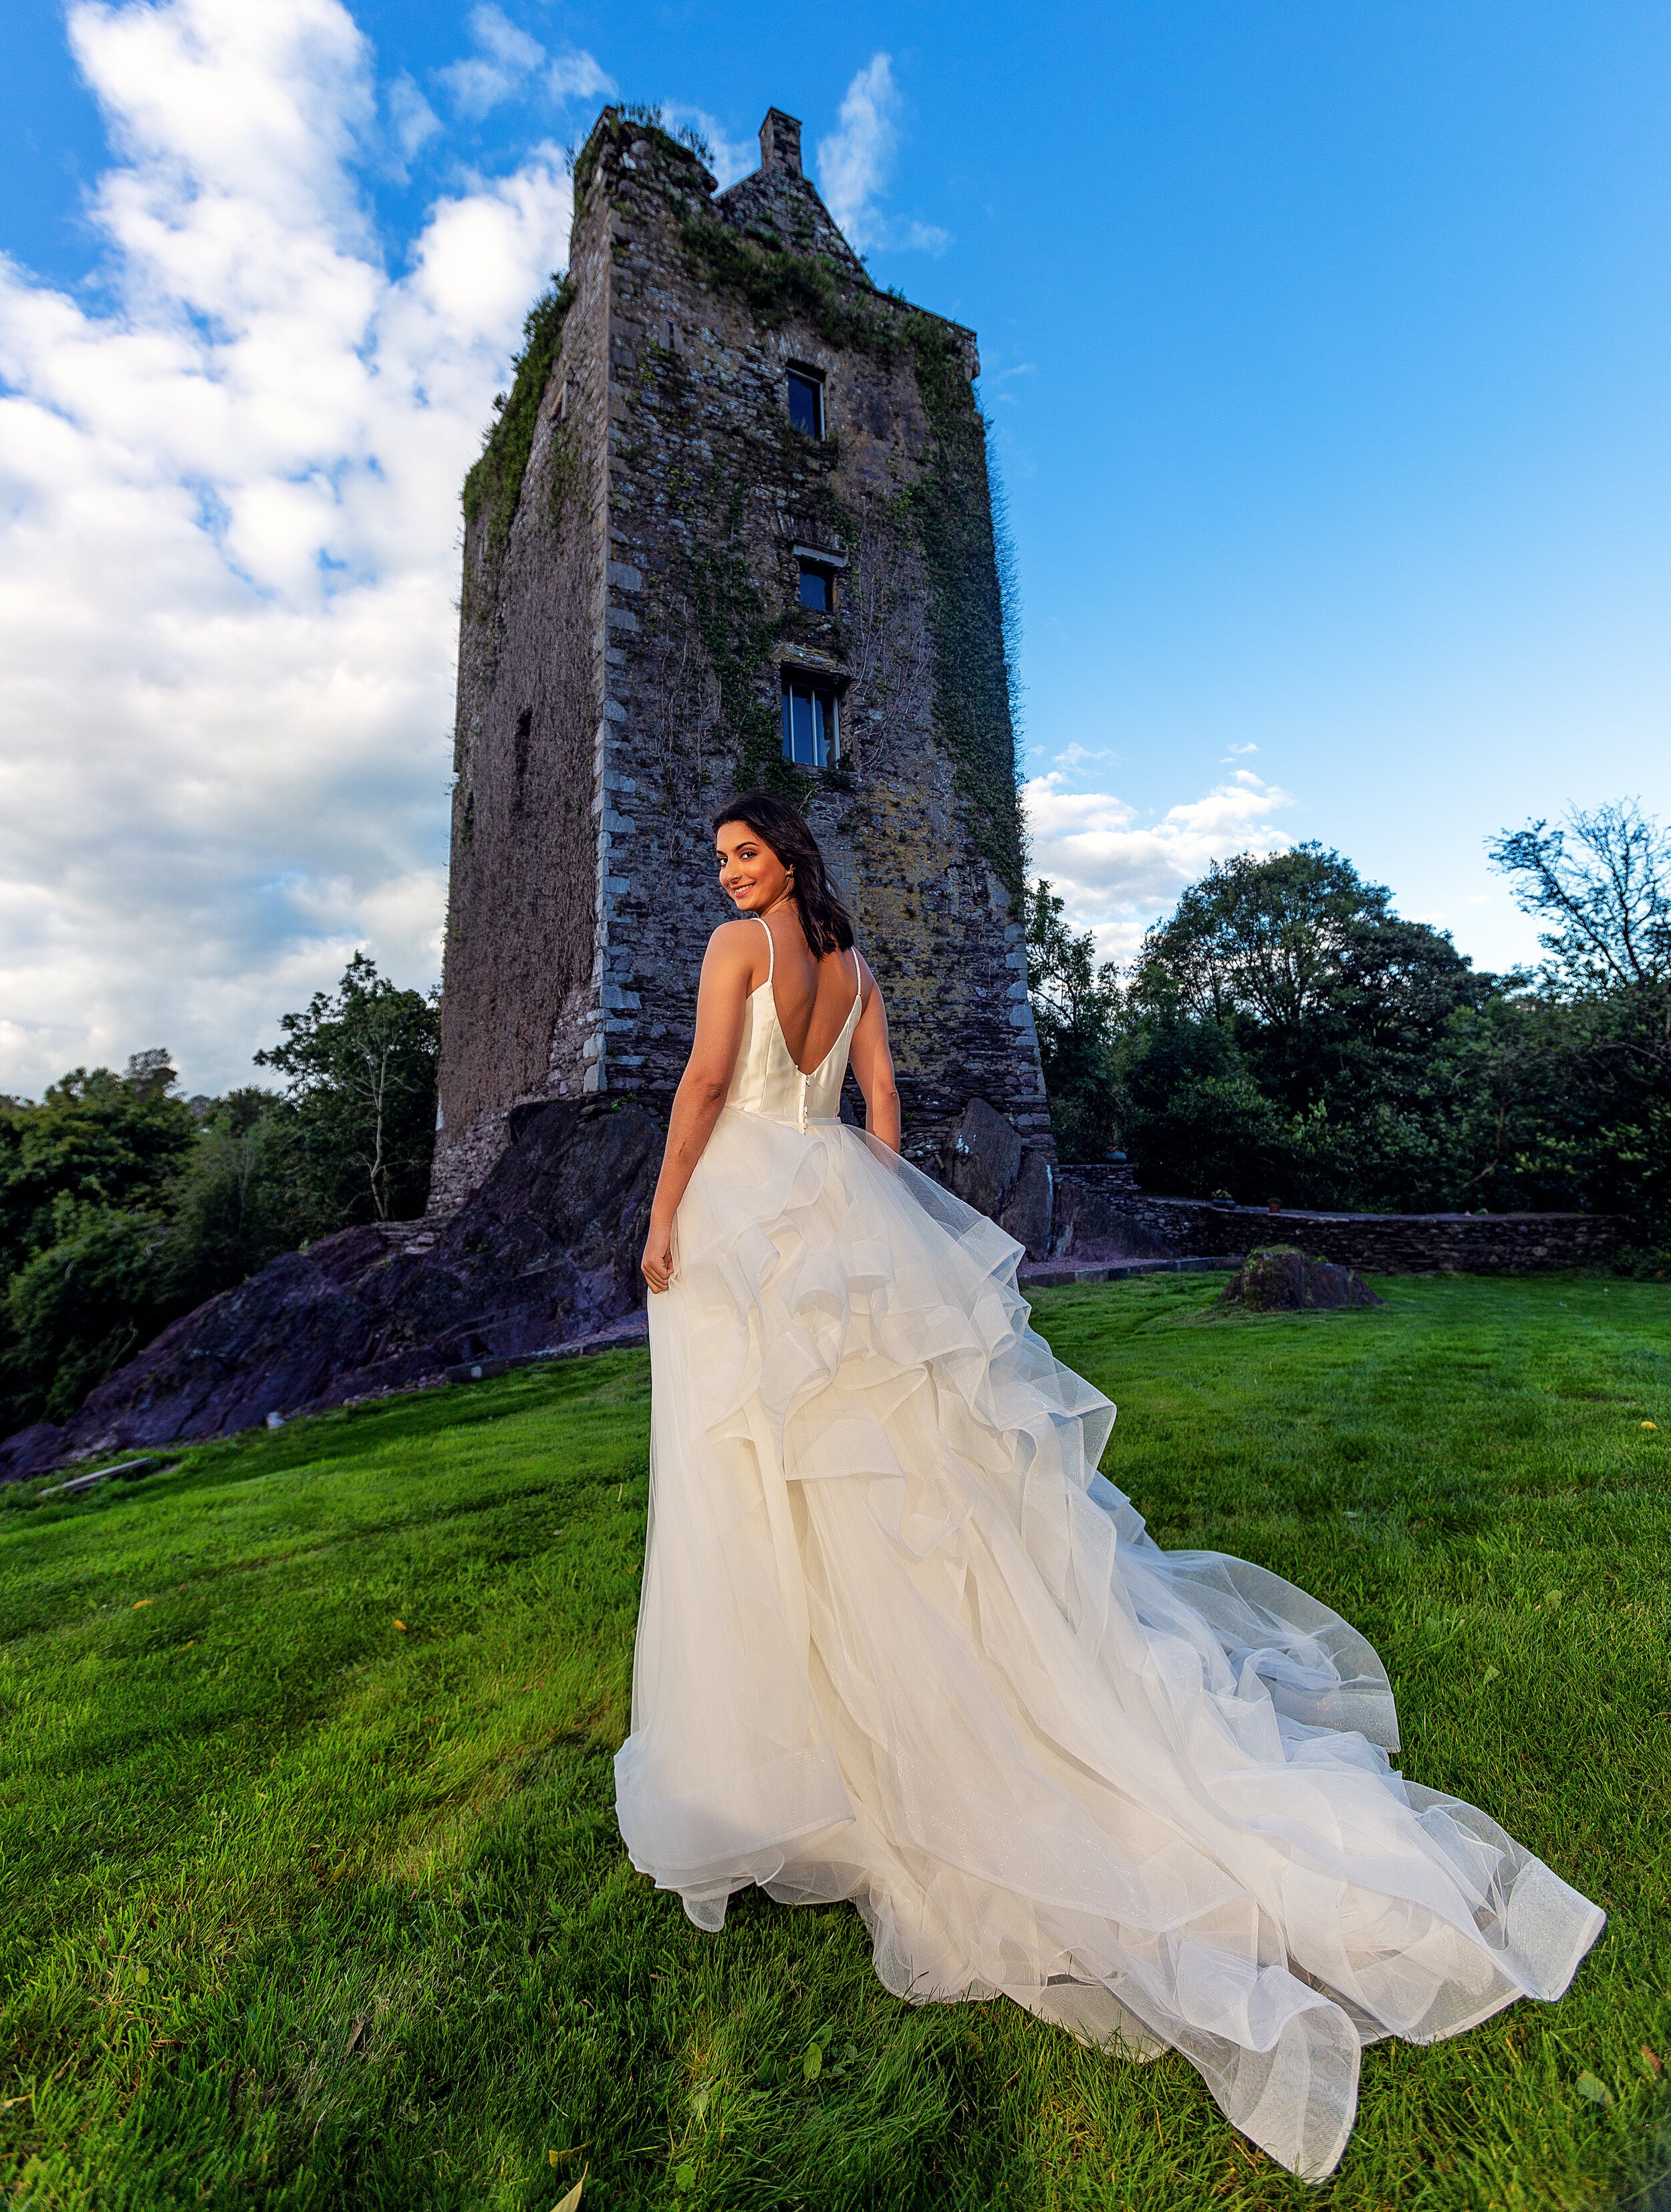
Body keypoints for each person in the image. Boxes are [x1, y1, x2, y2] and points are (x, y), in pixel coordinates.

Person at [614, 791, 1603, 2181]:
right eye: (717, 855)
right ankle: (846, 1715)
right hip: (839, 1196)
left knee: (758, 1469)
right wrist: (878, 1229)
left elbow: (707, 1087)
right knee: (881, 1474)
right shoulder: (853, 968)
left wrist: (663, 1215)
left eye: (741, 851)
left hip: (744, 1208)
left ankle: (812, 1742)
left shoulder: (737, 949)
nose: (725, 871)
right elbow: (880, 1107)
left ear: (782, 856)